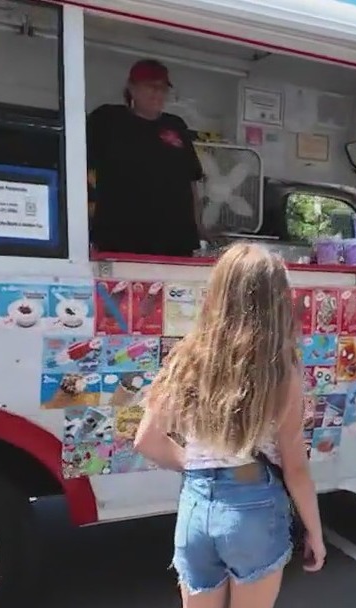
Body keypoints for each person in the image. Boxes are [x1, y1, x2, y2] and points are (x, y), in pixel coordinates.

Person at [134, 243, 326, 608]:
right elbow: (295, 468)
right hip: (253, 508)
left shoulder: (187, 357)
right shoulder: (281, 370)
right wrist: (315, 533)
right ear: (276, 300)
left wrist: (198, 465)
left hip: (195, 507)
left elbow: (146, 440)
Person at [87, 58, 207, 256]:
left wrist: (199, 226)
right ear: (132, 88)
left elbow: (191, 181)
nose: (157, 93)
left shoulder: (176, 125)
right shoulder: (108, 120)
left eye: (162, 88)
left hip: (175, 240)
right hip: (121, 238)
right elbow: (82, 167)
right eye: (150, 86)